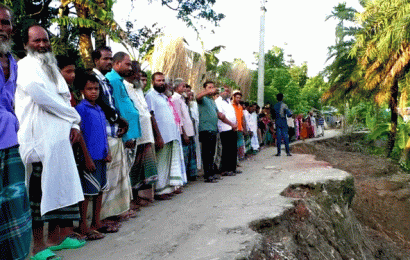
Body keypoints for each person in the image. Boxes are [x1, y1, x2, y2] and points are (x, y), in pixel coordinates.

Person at [15, 25, 86, 259]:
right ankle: (37, 247)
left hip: (60, 143)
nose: (43, 45)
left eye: (45, 40)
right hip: (37, 144)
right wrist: (74, 117)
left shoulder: (53, 68)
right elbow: (42, 98)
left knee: (59, 188)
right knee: (37, 195)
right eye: (36, 41)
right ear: (26, 43)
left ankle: (56, 239)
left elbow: (65, 98)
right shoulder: (24, 67)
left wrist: (74, 125)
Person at [0, 4, 31, 260]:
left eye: (6, 23)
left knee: (14, 205)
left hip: (11, 143)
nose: (2, 28)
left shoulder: (13, 62)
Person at [91, 47, 130, 226]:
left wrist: (119, 120)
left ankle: (113, 213)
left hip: (114, 131)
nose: (108, 62)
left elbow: (110, 105)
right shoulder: (94, 80)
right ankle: (102, 217)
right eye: (105, 59)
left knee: (115, 177)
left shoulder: (104, 80)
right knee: (106, 179)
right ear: (96, 60)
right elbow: (102, 105)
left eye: (109, 59)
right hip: (104, 133)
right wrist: (117, 118)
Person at [75, 72, 111, 240]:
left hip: (101, 156)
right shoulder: (81, 109)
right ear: (82, 90)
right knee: (87, 193)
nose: (94, 92)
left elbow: (103, 132)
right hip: (89, 158)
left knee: (100, 190)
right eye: (90, 89)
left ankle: (96, 222)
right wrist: (87, 157)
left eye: (96, 88)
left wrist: (108, 151)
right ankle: (84, 226)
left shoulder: (99, 108)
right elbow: (79, 134)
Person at [123, 62, 159, 205]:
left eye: (139, 72)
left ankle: (141, 196)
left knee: (144, 167)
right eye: (136, 72)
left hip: (146, 134)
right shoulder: (124, 87)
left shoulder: (138, 89)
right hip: (135, 134)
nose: (138, 75)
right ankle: (132, 199)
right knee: (134, 167)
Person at [145, 72, 184, 199]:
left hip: (171, 135)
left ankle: (167, 188)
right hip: (162, 136)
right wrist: (158, 136)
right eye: (158, 80)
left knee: (167, 164)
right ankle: (159, 191)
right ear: (153, 82)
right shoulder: (150, 96)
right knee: (160, 164)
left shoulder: (163, 96)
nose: (161, 83)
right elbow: (151, 116)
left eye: (163, 80)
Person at [196, 81, 236, 182]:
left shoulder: (212, 101)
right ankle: (208, 175)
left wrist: (232, 124)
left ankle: (211, 173)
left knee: (212, 153)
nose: (212, 89)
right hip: (205, 129)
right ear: (205, 89)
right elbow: (197, 97)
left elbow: (220, 115)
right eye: (209, 87)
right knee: (207, 153)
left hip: (213, 129)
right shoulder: (203, 99)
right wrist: (208, 92)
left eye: (213, 87)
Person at [171, 79, 198, 181]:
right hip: (184, 132)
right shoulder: (175, 99)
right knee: (185, 154)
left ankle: (190, 175)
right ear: (177, 87)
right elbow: (179, 118)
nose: (185, 89)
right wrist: (184, 134)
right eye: (183, 86)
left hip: (190, 131)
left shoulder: (182, 99)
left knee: (191, 154)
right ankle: (184, 177)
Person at [215, 86, 238, 176]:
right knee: (226, 149)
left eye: (228, 91)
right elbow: (221, 116)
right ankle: (225, 169)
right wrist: (232, 124)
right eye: (224, 91)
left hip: (232, 128)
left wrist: (234, 125)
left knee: (232, 149)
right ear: (220, 92)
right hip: (225, 128)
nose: (226, 93)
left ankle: (232, 168)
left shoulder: (229, 102)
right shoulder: (218, 102)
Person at [232, 90, 248, 160]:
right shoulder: (230, 105)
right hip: (233, 128)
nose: (238, 99)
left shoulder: (240, 107)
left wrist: (244, 129)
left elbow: (242, 119)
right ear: (233, 97)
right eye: (237, 97)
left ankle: (240, 157)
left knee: (240, 144)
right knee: (234, 145)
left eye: (239, 98)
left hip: (239, 128)